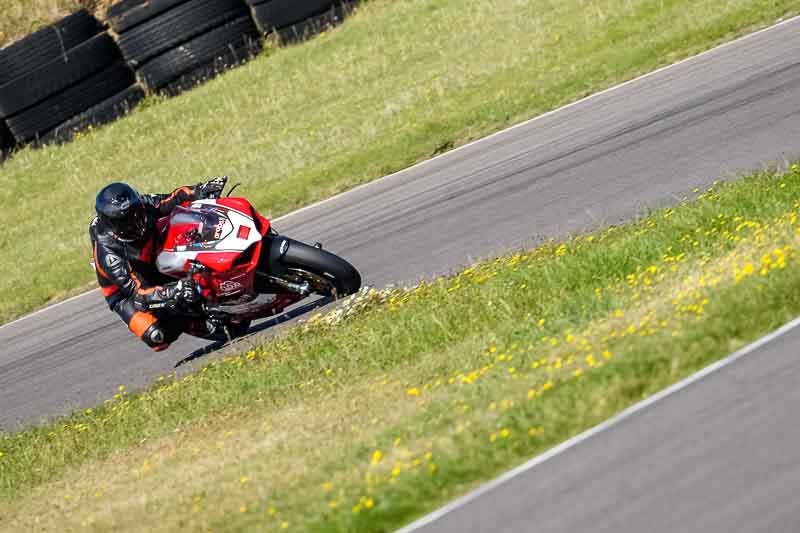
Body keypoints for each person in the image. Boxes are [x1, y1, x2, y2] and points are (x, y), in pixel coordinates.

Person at [89, 177, 228, 351]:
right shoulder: (109, 254)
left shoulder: (143, 206)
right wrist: (174, 291)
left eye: (136, 213)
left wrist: (201, 190)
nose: (136, 220)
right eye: (126, 221)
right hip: (128, 292)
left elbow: (173, 198)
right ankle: (190, 322)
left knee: (181, 223)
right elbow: (139, 293)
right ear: (111, 225)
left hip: (152, 256)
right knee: (157, 337)